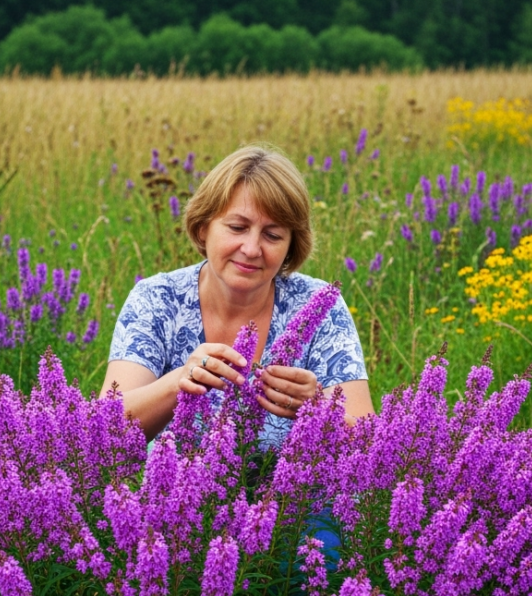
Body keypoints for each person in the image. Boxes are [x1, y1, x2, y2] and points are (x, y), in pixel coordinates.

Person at [104, 145, 373, 446]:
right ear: (204, 227)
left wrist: (322, 413)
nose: (251, 249)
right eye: (237, 227)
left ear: (290, 246)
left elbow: (371, 444)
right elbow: (103, 431)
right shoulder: (156, 300)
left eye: (272, 235)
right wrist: (178, 383)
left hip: (293, 495)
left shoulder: (319, 305)